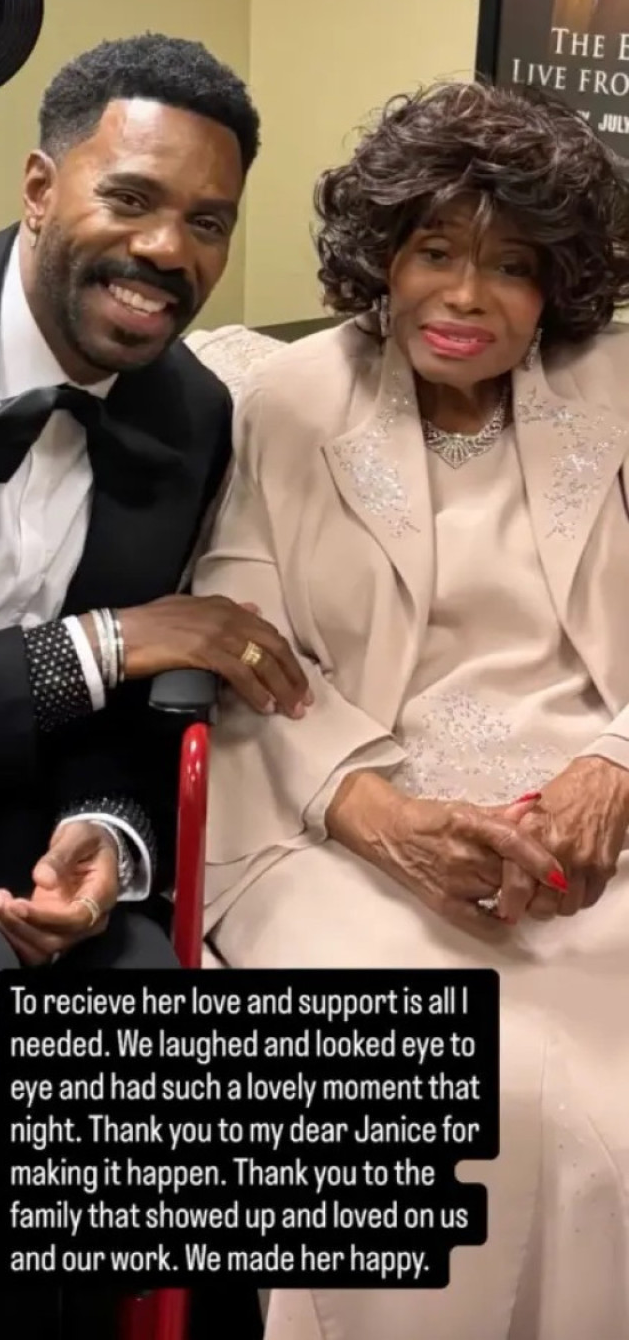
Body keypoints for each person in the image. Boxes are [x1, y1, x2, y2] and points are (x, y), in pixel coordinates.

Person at [0, 32, 308, 1340]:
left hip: (3, 810)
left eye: (207, 221)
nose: (167, 250)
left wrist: (105, 835)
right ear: (41, 187)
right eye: (132, 197)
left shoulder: (190, 412)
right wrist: (92, 648)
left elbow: (131, 720)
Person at [192, 79, 629, 1340]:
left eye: (510, 265)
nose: (464, 296)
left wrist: (614, 762)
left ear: (554, 286)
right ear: (381, 257)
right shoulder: (290, 400)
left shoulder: (613, 388)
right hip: (335, 810)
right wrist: (375, 811)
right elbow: (244, 646)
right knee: (446, 1084)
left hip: (588, 810)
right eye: (434, 250)